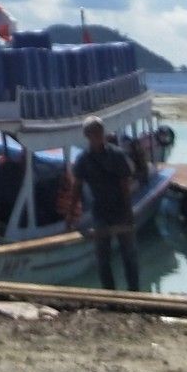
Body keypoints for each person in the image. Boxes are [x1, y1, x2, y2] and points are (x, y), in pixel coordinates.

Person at [72, 116, 140, 290]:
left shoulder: (116, 155)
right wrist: (71, 214)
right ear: (88, 136)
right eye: (94, 133)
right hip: (100, 213)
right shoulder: (83, 159)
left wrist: (128, 212)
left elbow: (124, 185)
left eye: (100, 132)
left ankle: (135, 295)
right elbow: (77, 187)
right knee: (103, 259)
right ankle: (110, 298)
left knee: (129, 256)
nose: (98, 136)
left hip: (120, 211)